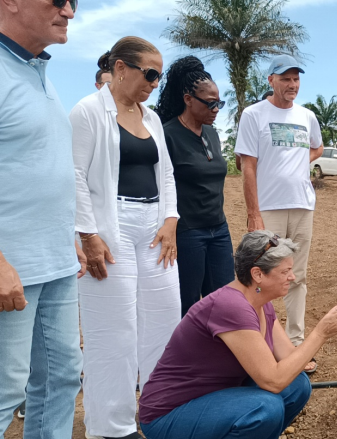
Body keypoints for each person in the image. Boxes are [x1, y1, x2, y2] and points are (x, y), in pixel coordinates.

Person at [138, 231, 337, 439]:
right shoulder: (231, 307)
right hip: (169, 413)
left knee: (297, 385)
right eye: (285, 271)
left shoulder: (260, 302)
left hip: (214, 398)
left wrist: (325, 330)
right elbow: (273, 381)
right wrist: (321, 333)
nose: (292, 276)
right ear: (258, 274)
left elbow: (289, 359)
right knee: (265, 408)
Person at [71, 36, 181, 438]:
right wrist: (88, 235)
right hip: (109, 225)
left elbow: (166, 173)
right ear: (120, 68)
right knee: (112, 331)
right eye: (149, 73)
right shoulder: (87, 112)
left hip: (153, 227)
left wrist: (170, 218)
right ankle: (110, 427)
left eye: (159, 75)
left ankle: (158, 410)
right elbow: (75, 176)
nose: (155, 82)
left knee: (165, 319)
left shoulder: (150, 118)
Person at [0, 1, 85, 436]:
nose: (69, 11)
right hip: (10, 272)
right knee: (3, 393)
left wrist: (65, 236)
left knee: (61, 379)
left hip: (54, 264)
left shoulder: (37, 74)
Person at [235, 54, 323, 374]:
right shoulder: (254, 115)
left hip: (302, 207)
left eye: (296, 78)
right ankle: (262, 346)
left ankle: (296, 345)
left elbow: (317, 148)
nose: (292, 84)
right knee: (262, 279)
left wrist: (299, 163)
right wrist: (253, 213)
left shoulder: (307, 116)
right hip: (268, 209)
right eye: (285, 78)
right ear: (271, 80)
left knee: (296, 278)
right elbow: (248, 166)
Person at [156, 56, 234, 317]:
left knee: (224, 300)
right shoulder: (167, 135)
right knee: (187, 305)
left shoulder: (212, 133)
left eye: (219, 103)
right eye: (210, 103)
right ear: (188, 99)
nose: (216, 109)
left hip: (219, 230)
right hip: (188, 234)